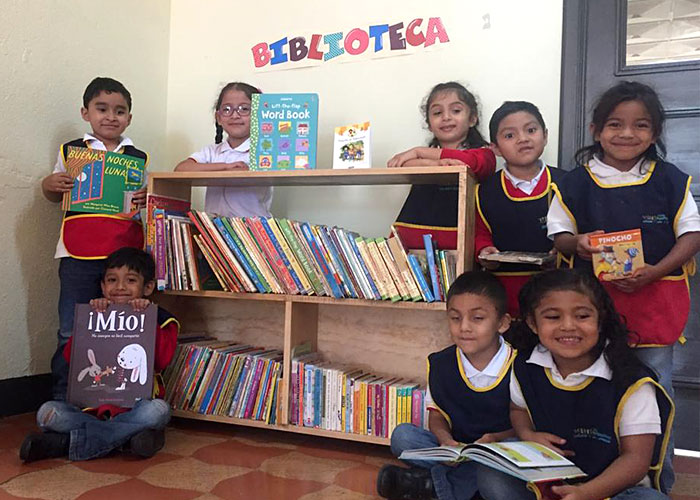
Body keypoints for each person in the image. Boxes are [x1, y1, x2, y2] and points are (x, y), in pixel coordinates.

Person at [547, 81, 700, 491]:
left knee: (655, 394)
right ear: (597, 130)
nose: (627, 134)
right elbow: (559, 234)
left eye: (640, 126)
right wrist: (575, 243)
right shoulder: (576, 183)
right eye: (615, 124)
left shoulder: (671, 180)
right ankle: (590, 479)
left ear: (654, 133)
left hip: (652, 311)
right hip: (590, 313)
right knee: (591, 393)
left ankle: (654, 483)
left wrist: (655, 270)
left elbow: (692, 235)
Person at [478, 269, 673, 499]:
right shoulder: (525, 366)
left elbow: (636, 460)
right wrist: (526, 433)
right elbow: (518, 408)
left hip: (615, 489)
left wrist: (585, 493)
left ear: (600, 320)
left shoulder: (632, 381)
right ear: (532, 323)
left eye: (582, 316)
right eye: (553, 317)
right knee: (490, 473)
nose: (568, 326)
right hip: (549, 482)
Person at [41, 77, 149, 401]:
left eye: (120, 111)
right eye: (102, 109)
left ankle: (118, 396)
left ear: (129, 117)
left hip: (123, 254)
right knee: (70, 329)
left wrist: (147, 197)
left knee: (123, 327)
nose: (111, 116)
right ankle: (63, 399)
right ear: (85, 112)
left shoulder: (137, 157)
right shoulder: (72, 151)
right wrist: (50, 184)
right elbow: (50, 193)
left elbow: (143, 201)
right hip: (78, 253)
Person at [19, 248, 180, 463]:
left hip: (136, 406)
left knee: (158, 411)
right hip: (90, 410)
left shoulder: (161, 319)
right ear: (103, 286)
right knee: (47, 413)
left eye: (131, 280)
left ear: (148, 287)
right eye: (112, 280)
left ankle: (64, 444)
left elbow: (162, 360)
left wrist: (147, 320)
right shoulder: (94, 315)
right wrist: (88, 323)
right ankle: (128, 439)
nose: (120, 287)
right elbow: (72, 360)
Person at [377, 271, 515, 500]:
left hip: (498, 450)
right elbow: (436, 414)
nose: (464, 327)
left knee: (498, 471)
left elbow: (527, 426)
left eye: (477, 318)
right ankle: (458, 483)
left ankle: (431, 485)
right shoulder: (441, 363)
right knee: (403, 437)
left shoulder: (519, 365)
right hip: (457, 449)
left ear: (502, 323)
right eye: (455, 318)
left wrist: (495, 439)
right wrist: (444, 440)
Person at [476, 101, 566, 317]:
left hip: (558, 291)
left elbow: (579, 230)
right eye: (509, 135)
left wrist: (562, 252)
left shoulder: (567, 182)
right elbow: (480, 233)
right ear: (495, 148)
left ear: (544, 135)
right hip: (504, 294)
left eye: (531, 130)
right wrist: (484, 250)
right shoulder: (484, 191)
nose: (523, 139)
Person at [387, 82, 496, 249]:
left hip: (461, 245)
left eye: (456, 111)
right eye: (438, 112)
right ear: (429, 124)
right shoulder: (428, 154)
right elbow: (403, 165)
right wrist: (434, 163)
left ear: (472, 118)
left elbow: (469, 162)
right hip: (412, 247)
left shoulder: (484, 153)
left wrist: (418, 152)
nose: (446, 117)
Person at [174, 81, 272, 218]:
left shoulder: (265, 151)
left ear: (258, 114)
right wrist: (226, 167)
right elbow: (181, 169)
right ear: (218, 118)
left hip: (254, 232)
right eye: (227, 109)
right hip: (215, 231)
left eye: (244, 109)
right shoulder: (211, 152)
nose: (235, 115)